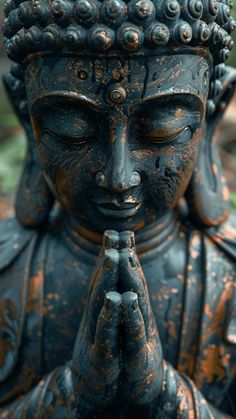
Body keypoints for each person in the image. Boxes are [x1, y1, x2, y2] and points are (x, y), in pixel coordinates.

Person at [0, 0, 236, 416]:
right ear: (27, 119)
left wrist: (164, 394)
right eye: (70, 131)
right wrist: (70, 392)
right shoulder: (7, 276)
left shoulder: (229, 282)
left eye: (163, 129)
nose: (118, 176)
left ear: (211, 115)